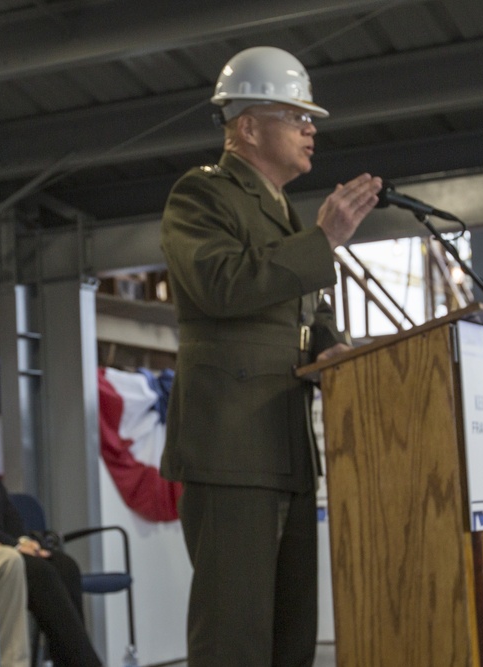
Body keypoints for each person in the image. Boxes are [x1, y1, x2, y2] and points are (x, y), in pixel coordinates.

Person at [158, 46, 382, 666]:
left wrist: (334, 347)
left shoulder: (283, 214)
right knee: (233, 639)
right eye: (295, 115)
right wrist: (324, 241)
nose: (311, 128)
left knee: (291, 638)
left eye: (310, 118)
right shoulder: (201, 196)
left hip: (284, 449)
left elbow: (298, 319)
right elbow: (221, 284)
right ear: (247, 126)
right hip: (230, 448)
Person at [0, 460, 102, 667]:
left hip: (5, 546)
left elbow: (7, 510)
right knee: (39, 572)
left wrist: (23, 540)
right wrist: (13, 545)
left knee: (65, 566)